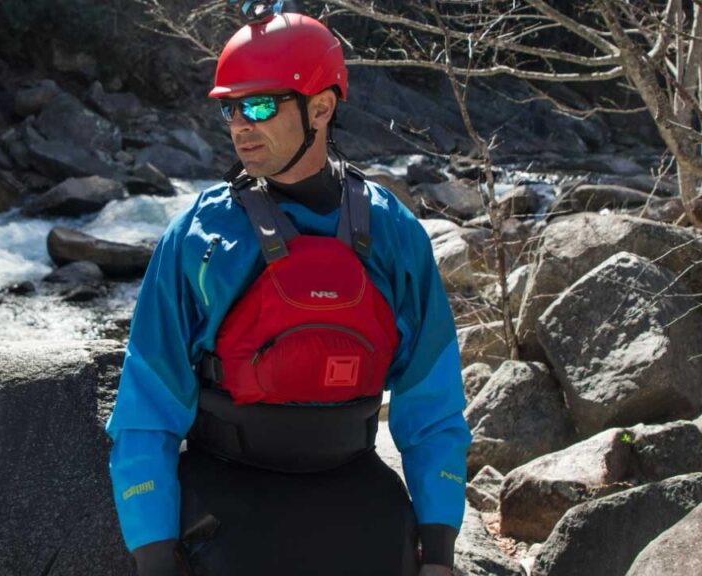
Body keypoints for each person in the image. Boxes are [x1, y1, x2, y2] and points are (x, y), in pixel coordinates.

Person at [106, 8, 471, 576]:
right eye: (229, 107)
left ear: (321, 107)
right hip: (225, 491)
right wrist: (154, 552)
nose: (239, 125)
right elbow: (146, 407)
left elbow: (433, 403)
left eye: (257, 105)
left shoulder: (393, 232)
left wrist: (439, 548)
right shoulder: (198, 237)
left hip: (352, 485)